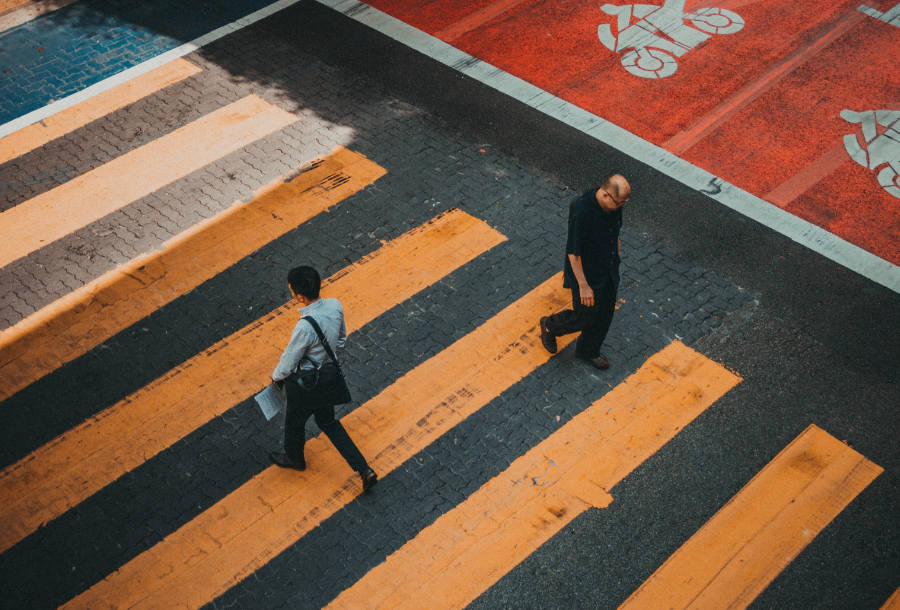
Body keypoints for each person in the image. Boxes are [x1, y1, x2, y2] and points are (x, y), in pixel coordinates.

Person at [269, 265, 378, 492]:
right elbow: (341, 339)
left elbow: (290, 360)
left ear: (300, 296)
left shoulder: (304, 327)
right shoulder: (335, 306)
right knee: (328, 422)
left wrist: (276, 376)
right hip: (327, 379)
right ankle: (364, 469)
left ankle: (295, 458)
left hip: (306, 385)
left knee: (294, 421)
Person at [540, 175, 631, 369]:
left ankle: (587, 351)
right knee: (583, 316)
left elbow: (615, 234)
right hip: (586, 275)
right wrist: (583, 286)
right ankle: (550, 325)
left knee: (605, 314)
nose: (621, 207)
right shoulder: (582, 212)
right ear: (606, 195)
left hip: (608, 270)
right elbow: (574, 254)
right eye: (619, 202)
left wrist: (616, 261)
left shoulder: (614, 206)